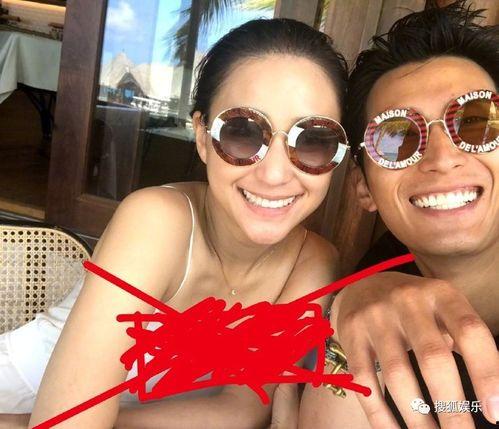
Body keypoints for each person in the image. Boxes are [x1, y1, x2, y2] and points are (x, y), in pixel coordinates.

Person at [2, 18, 350, 429]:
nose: (274, 174)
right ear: (202, 136)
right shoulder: (157, 220)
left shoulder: (314, 263)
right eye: (242, 132)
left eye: (313, 141)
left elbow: (241, 409)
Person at [300, 1, 499, 428]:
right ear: (363, 187)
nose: (442, 158)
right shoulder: (369, 287)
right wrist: (345, 313)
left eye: (477, 122)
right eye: (395, 138)